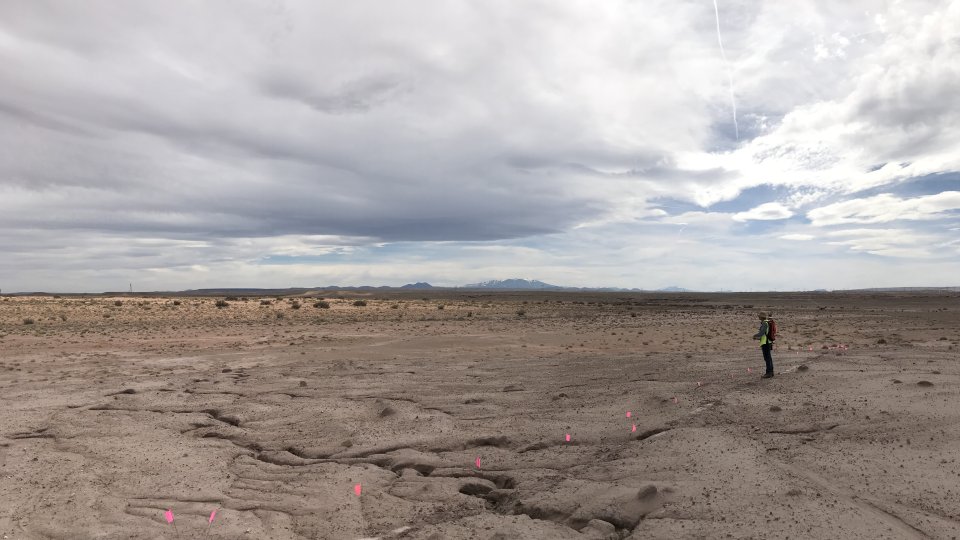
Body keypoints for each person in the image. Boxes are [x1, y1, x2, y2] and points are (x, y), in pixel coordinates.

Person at [752, 311, 774, 378]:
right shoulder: (767, 322)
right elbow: (765, 334)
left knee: (767, 358)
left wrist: (755, 336)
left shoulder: (765, 323)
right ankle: (771, 372)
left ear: (761, 317)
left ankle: (769, 373)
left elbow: (762, 333)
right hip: (768, 342)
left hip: (765, 343)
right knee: (769, 358)